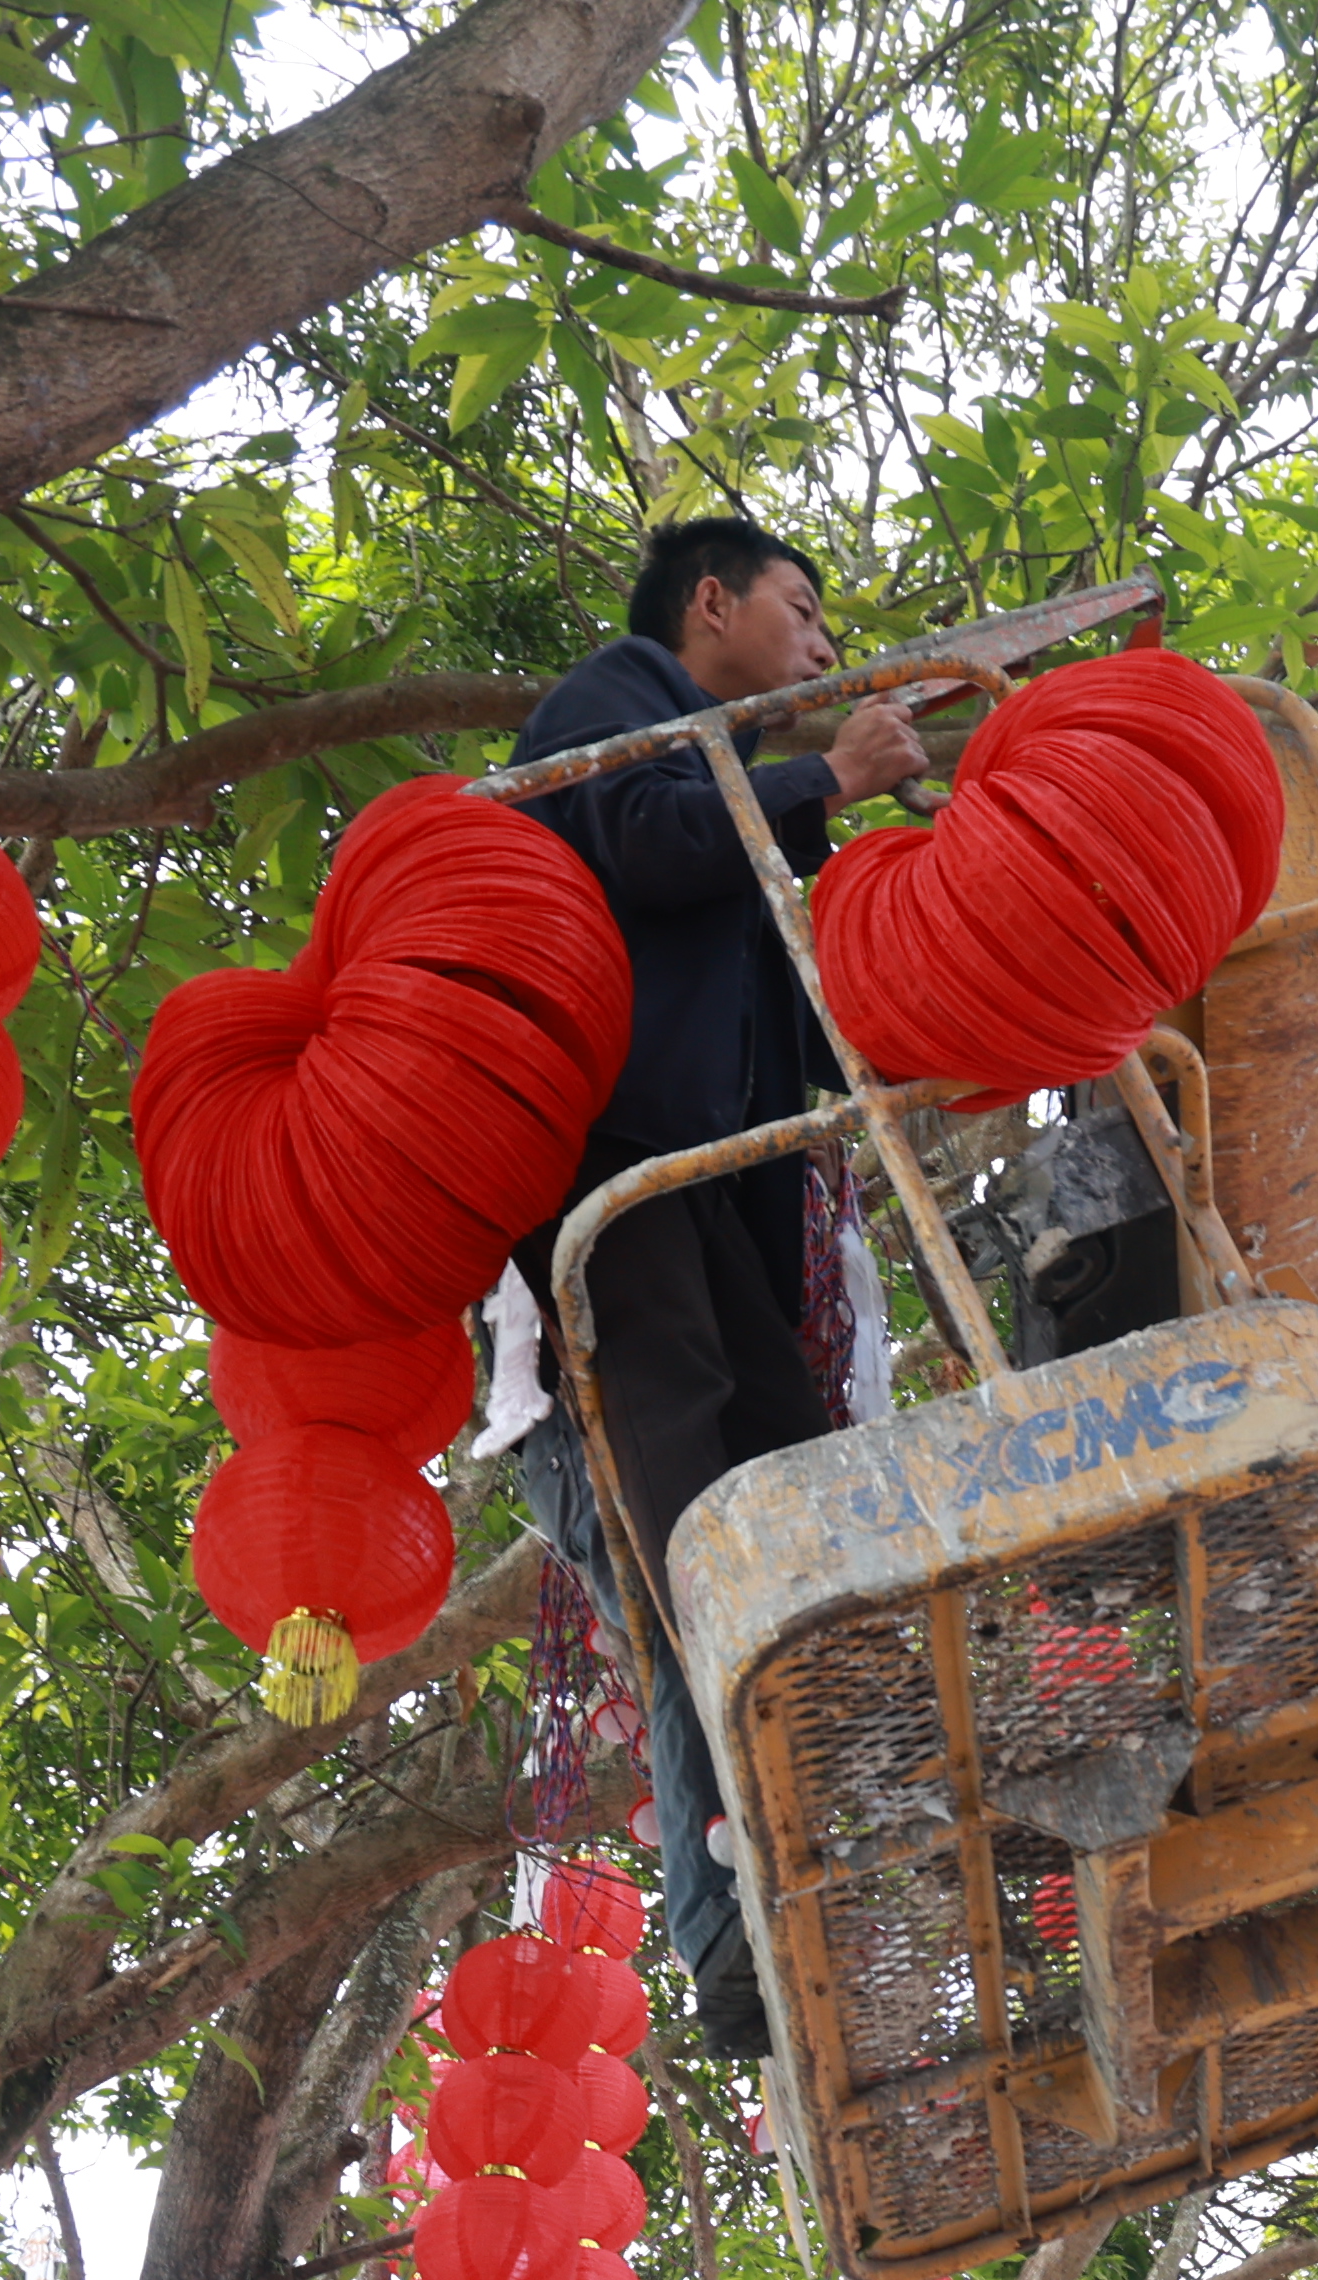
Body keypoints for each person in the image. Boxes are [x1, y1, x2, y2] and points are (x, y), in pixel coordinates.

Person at [509, 517, 931, 2056]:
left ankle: (799, 1853)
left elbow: (765, 973)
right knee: (687, 1517)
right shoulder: (613, 700)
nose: (822, 648)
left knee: (789, 1484)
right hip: (613, 1162)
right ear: (710, 604)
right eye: (801, 612)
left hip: (713, 1190)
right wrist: (833, 774)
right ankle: (730, 1902)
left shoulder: (723, 776)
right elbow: (637, 844)